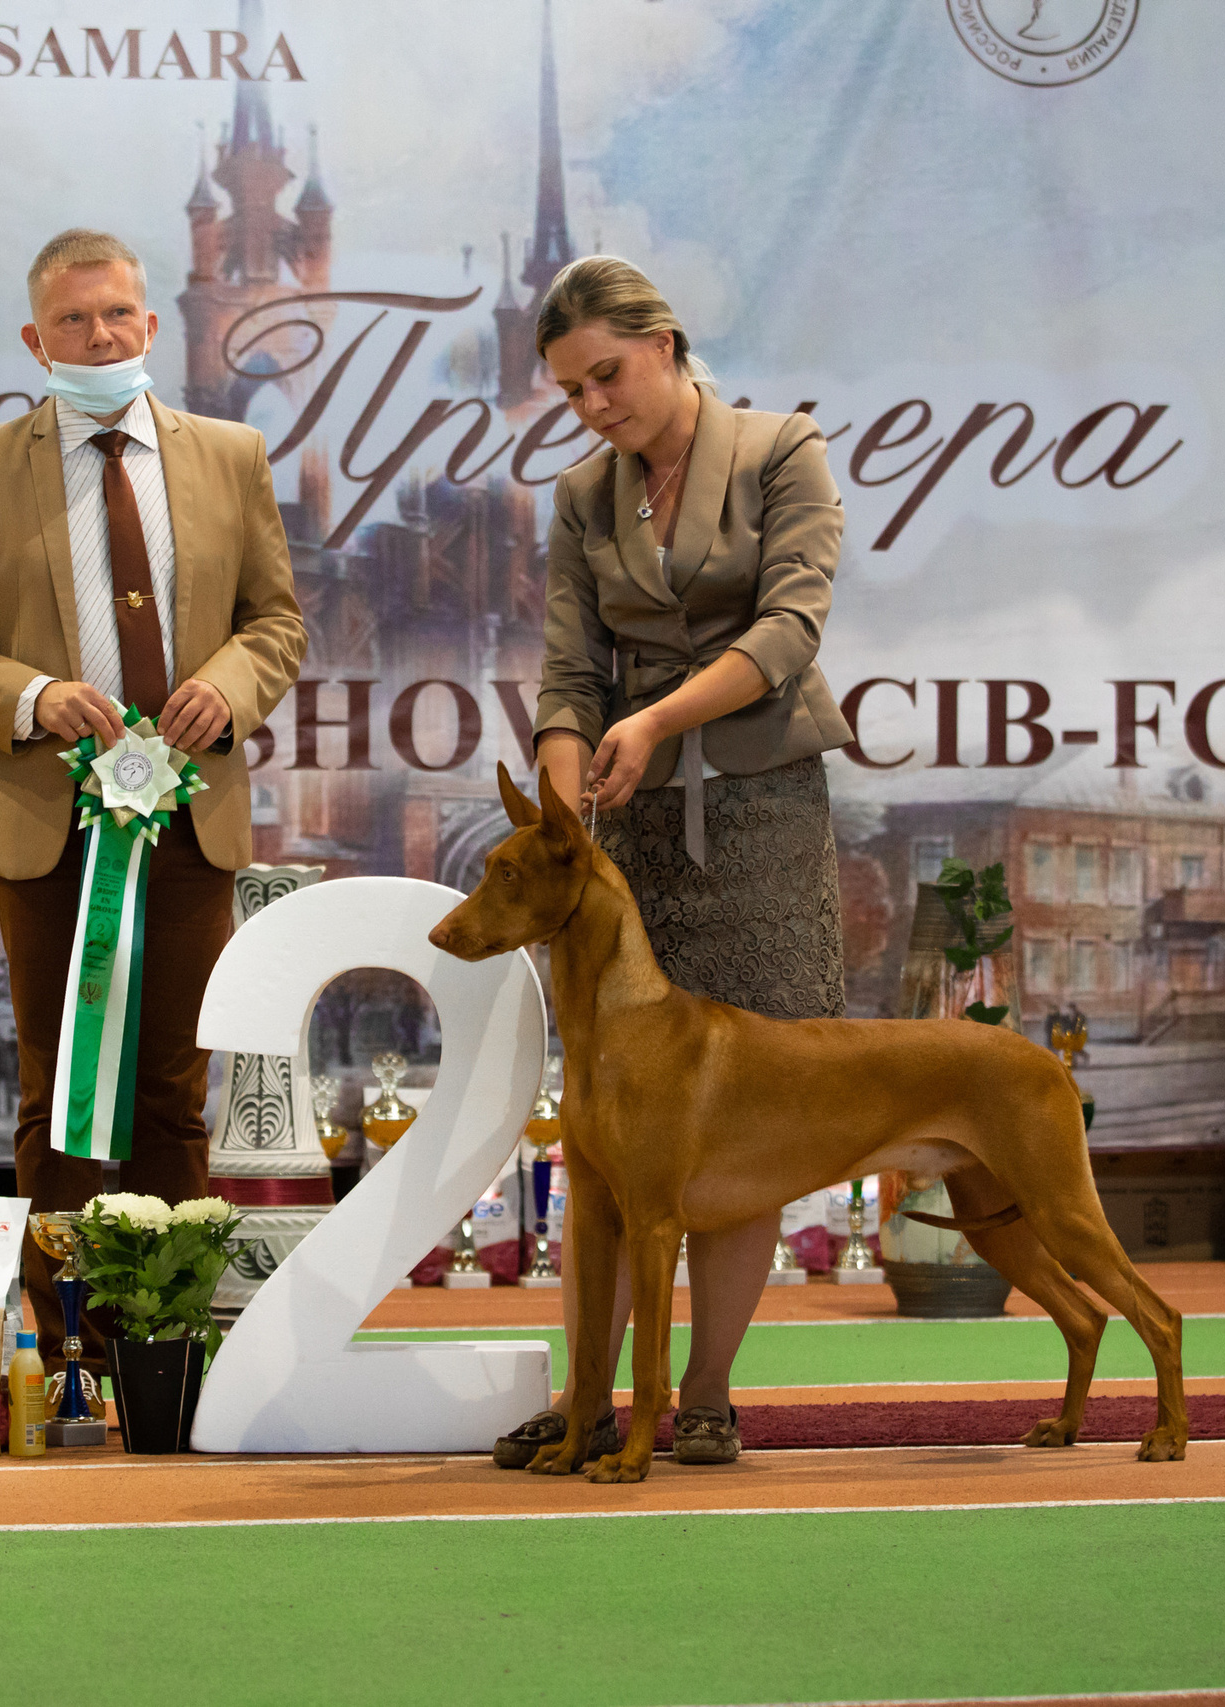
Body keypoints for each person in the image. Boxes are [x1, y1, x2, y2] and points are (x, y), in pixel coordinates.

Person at [0, 228, 305, 1374]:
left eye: (117, 314)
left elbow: (276, 624)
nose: (99, 335)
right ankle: (67, 1348)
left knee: (176, 1091)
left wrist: (223, 691)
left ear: (151, 324)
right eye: (73, 321)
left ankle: (165, 1345)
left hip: (189, 818)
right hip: (45, 826)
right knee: (58, 1096)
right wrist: (29, 696)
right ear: (36, 340)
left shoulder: (231, 454)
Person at [498, 255, 852, 1470]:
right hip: (624, 828)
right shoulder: (582, 498)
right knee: (606, 1129)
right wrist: (560, 801)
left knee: (737, 1123)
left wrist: (655, 723)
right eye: (569, 391)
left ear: (665, 342)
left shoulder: (780, 452)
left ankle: (702, 1391)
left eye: (608, 375)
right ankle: (589, 1391)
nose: (594, 406)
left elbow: (789, 632)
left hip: (756, 816)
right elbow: (567, 677)